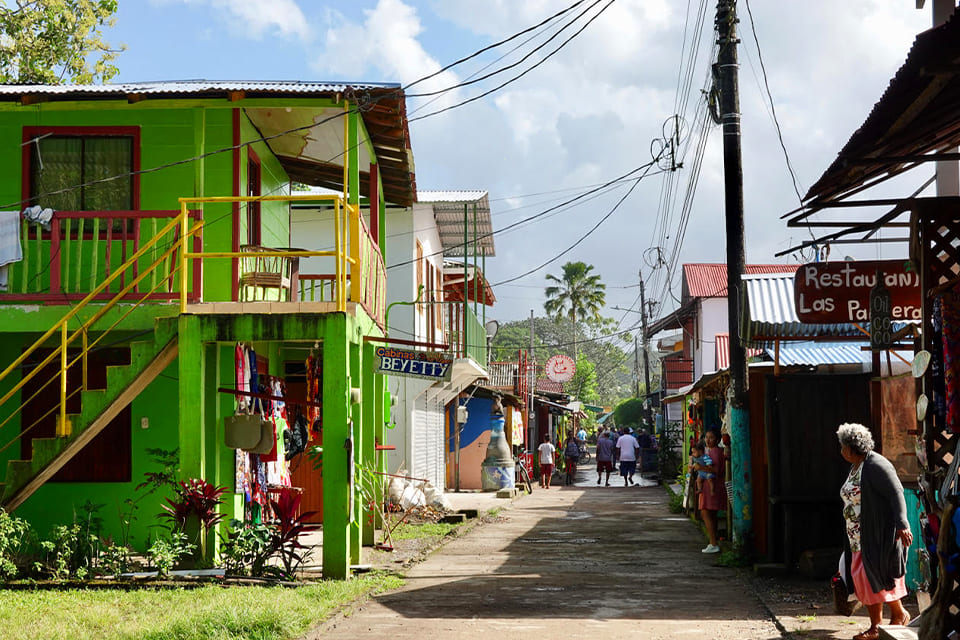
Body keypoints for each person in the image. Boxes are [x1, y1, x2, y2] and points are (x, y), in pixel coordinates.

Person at [837, 423, 912, 640]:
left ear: (852, 448)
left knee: (873, 577)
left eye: (843, 447)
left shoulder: (877, 465)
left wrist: (902, 524)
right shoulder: (856, 467)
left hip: (877, 534)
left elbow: (896, 493)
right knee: (866, 579)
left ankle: (883, 623)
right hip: (858, 536)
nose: (841, 451)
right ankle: (890, 618)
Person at [692, 429, 724, 553]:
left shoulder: (715, 452)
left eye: (711, 437)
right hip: (713, 485)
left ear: (717, 439)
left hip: (711, 485)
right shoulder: (711, 451)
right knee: (712, 514)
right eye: (706, 437)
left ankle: (713, 542)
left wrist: (700, 467)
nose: (708, 440)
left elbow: (715, 470)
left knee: (705, 512)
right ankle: (713, 541)